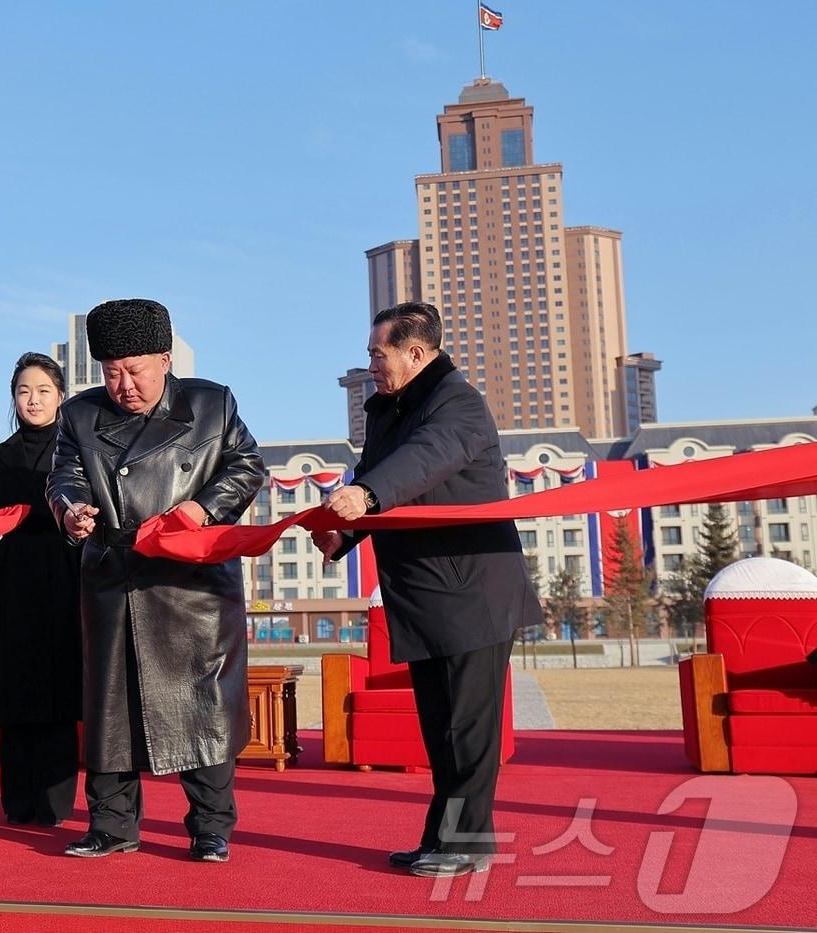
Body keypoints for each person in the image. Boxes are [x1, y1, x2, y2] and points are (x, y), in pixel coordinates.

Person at [313, 300, 543, 878]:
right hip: (423, 594)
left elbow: (424, 462)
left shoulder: (457, 405)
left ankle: (468, 844)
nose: (370, 365)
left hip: (472, 592)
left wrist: (364, 499)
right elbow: (378, 482)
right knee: (440, 730)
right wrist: (345, 535)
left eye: (377, 353)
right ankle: (442, 840)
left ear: (416, 353)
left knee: (469, 729)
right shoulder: (390, 410)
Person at [47, 299, 266, 863]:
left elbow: (246, 465)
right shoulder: (79, 416)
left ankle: (211, 827)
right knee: (109, 709)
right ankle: (111, 824)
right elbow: (64, 475)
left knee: (203, 707)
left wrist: (202, 511)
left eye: (136, 370)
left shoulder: (211, 404)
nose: (124, 384)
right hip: (113, 578)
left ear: (165, 360)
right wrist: (71, 509)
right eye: (111, 371)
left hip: (191, 583)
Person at [0, 352, 82, 827]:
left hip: (65, 576)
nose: (32, 400)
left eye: (43, 391)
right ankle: (17, 801)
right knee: (15, 696)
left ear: (61, 397)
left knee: (59, 693)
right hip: (12, 581)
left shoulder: (77, 450)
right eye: (24, 392)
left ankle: (53, 804)